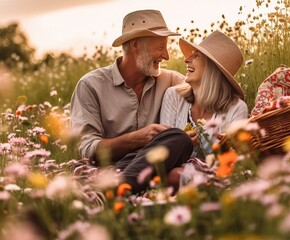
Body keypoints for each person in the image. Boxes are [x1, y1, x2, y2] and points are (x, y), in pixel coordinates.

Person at [70, 9, 193, 194]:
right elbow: (87, 149)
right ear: (135, 45)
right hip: (110, 169)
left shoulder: (172, 81)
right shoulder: (91, 85)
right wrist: (138, 139)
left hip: (150, 170)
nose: (166, 55)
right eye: (160, 47)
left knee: (179, 138)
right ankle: (118, 189)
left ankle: (113, 192)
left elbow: (208, 91)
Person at [160, 30, 248, 159]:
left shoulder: (236, 108)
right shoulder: (173, 96)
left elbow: (237, 160)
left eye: (196, 56)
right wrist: (182, 145)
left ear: (212, 68)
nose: (187, 59)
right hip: (174, 175)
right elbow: (164, 151)